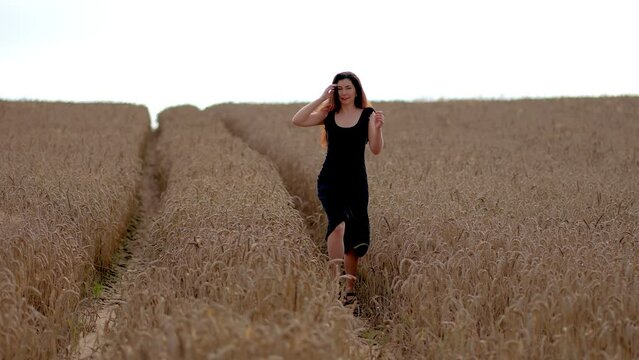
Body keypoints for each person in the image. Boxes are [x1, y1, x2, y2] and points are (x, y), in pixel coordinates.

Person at [291, 71, 384, 308]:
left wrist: (379, 128)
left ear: (356, 90)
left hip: (356, 182)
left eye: (347, 88)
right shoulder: (329, 113)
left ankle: (349, 288)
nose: (343, 93)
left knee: (354, 234)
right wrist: (322, 97)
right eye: (339, 89)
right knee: (338, 225)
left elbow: (375, 149)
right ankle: (336, 283)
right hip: (330, 180)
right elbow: (298, 120)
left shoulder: (368, 115)